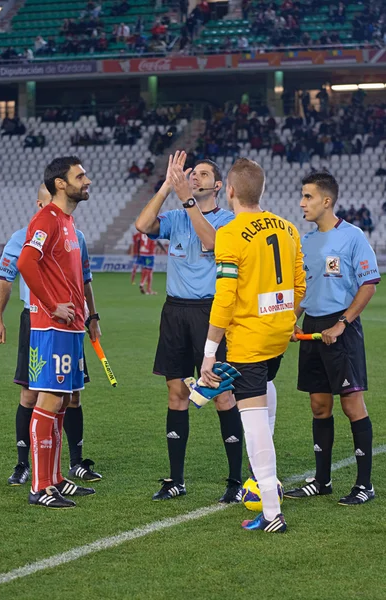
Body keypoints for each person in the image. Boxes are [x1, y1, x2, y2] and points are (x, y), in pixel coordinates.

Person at [200, 158, 306, 534]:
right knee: (263, 391)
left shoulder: (230, 232)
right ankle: (269, 488)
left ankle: (272, 509)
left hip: (248, 339)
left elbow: (225, 297)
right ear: (260, 190)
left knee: (253, 418)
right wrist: (287, 319)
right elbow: (299, 285)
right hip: (279, 333)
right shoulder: (289, 227)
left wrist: (210, 352)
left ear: (229, 190)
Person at [135, 151, 244, 503]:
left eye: (203, 174)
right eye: (190, 173)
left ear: (218, 184)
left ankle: (234, 480)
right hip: (175, 312)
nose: (194, 177)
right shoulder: (177, 214)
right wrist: (168, 185)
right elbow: (143, 225)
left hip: (211, 314)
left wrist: (186, 200)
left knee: (221, 393)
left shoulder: (229, 220)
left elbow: (211, 242)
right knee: (176, 393)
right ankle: (176, 480)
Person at [0, 184, 102, 486]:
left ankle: (75, 463)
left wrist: (92, 316)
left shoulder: (76, 235)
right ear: (41, 204)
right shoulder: (23, 236)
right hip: (39, 320)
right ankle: (24, 464)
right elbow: (6, 278)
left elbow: (86, 280)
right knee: (31, 393)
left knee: (71, 395)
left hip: (72, 321)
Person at [285, 171, 380, 505]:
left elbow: (369, 283)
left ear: (326, 201)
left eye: (308, 196)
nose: (301, 203)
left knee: (351, 405)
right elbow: (302, 289)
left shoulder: (353, 237)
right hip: (312, 326)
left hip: (342, 328)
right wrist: (290, 322)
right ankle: (322, 481)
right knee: (319, 404)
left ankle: (364, 485)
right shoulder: (305, 242)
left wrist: (342, 323)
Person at [17, 157, 96, 508]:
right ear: (60, 184)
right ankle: (39, 486)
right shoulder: (46, 218)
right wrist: (51, 305)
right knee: (48, 401)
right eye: (80, 176)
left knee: (61, 402)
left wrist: (86, 315)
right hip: (51, 327)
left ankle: (56, 479)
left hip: (71, 327)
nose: (87, 180)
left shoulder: (67, 220)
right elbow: (24, 263)